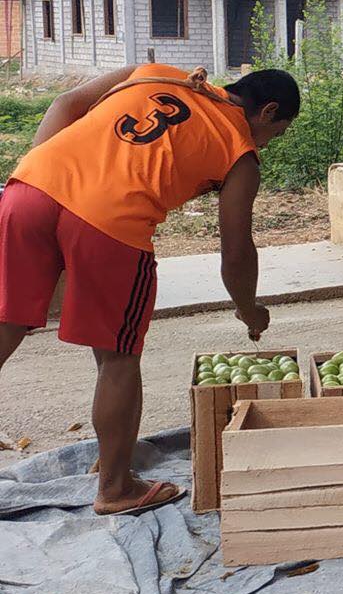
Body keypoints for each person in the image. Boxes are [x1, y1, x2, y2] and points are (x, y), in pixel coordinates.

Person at [0, 64, 298, 515]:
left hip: (30, 188)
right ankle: (116, 488)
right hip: (111, 222)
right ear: (268, 112)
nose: (269, 143)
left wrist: (51, 178)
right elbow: (236, 250)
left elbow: (65, 105)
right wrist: (249, 309)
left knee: (6, 323)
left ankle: (112, 456)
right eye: (277, 132)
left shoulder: (157, 74)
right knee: (118, 357)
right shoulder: (240, 152)